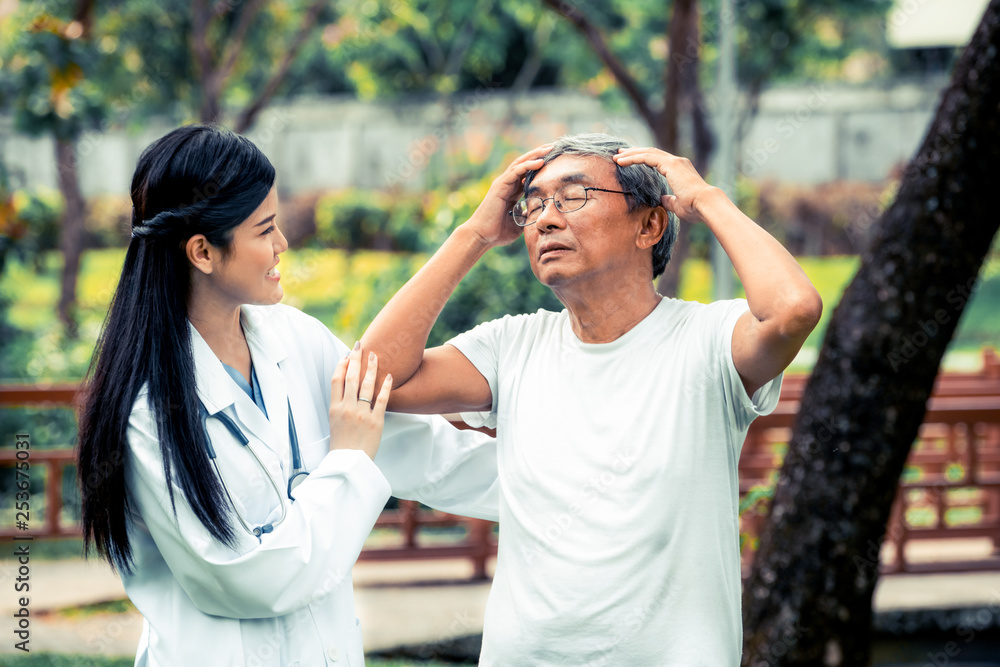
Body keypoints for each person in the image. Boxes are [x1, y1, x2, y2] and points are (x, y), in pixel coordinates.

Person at [360, 133, 823, 665]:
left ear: (648, 224)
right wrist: (474, 235)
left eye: (573, 197)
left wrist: (706, 201)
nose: (545, 220)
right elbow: (378, 378)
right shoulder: (513, 345)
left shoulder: (708, 340)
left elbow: (792, 310)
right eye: (532, 204)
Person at [77, 124, 499, 666]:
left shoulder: (296, 339)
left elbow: (430, 455)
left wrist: (590, 485)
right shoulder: (146, 412)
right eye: (265, 229)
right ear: (203, 252)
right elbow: (253, 582)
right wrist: (346, 459)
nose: (282, 244)